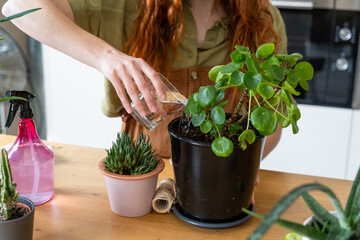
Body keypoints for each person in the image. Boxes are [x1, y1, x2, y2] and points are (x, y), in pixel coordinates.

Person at [2, 0, 287, 203]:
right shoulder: (131, 6)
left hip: (219, 189)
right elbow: (19, 7)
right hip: (141, 186)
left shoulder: (265, 21)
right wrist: (106, 57)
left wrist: (242, 166)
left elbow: (270, 124)